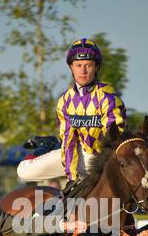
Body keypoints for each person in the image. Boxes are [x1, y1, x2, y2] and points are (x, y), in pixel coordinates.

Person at [17, 37, 126, 183]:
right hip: (77, 156)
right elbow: (69, 143)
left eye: (88, 65)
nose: (83, 70)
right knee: (23, 171)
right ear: (71, 67)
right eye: (78, 65)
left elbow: (114, 141)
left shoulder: (108, 98)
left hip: (102, 160)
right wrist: (71, 179)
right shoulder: (65, 101)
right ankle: (47, 146)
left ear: (96, 68)